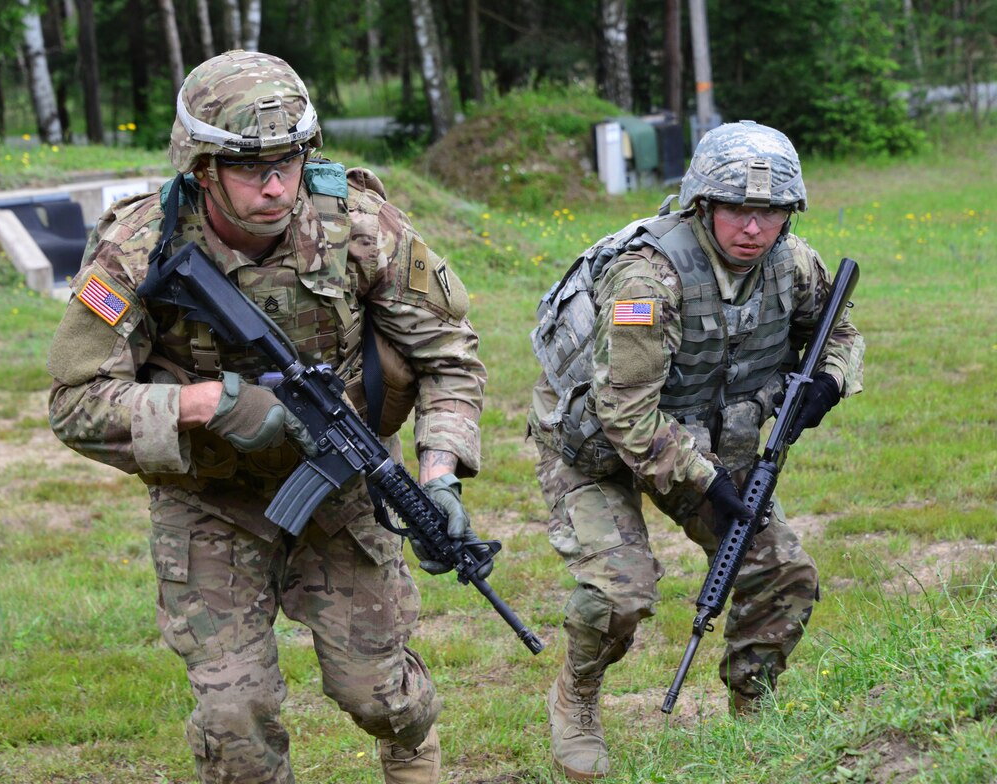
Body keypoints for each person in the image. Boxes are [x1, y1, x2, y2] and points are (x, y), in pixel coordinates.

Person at [47, 50, 488, 784]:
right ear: (202, 169)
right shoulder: (137, 249)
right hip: (210, 504)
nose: (277, 185)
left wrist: (438, 472)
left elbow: (448, 352)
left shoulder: (356, 223)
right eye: (252, 169)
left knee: (383, 697)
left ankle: (411, 756)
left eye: (288, 162)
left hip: (344, 490)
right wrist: (209, 405)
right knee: (235, 721)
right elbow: (75, 403)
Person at [527, 120, 865, 780]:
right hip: (597, 449)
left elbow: (841, 334)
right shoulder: (647, 282)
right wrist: (708, 482)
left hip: (702, 443)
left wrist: (827, 381)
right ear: (702, 206)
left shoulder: (793, 266)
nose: (752, 228)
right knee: (619, 593)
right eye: (738, 209)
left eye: (769, 212)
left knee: (781, 571)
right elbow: (624, 416)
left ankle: (752, 709)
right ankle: (578, 696)